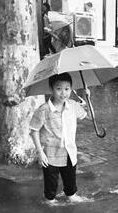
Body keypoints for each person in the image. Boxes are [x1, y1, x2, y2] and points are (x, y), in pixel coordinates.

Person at [29, 73, 90, 204]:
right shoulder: (43, 110)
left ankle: (70, 196)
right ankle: (49, 203)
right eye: (59, 89)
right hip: (50, 155)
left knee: (70, 187)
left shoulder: (73, 105)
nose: (63, 93)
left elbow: (90, 117)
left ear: (71, 89)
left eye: (67, 89)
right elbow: (34, 131)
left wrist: (87, 98)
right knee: (50, 193)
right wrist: (40, 153)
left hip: (69, 152)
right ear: (51, 89)